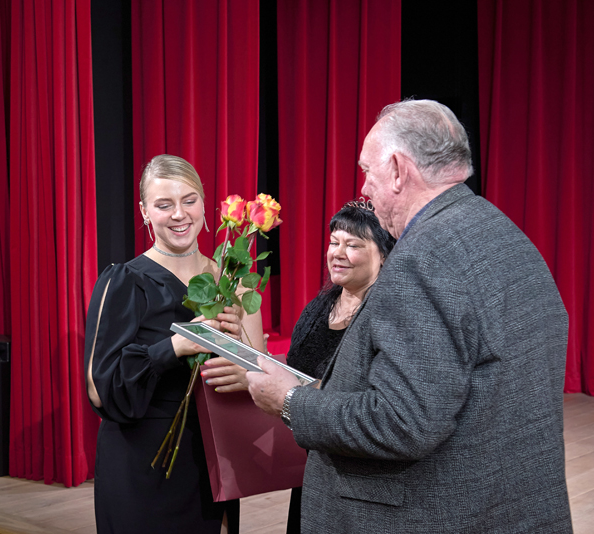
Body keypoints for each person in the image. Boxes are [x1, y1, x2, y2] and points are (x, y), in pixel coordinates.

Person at [247, 99, 572, 533]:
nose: (364, 188)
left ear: (399, 171)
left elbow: (401, 423)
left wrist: (290, 401)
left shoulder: (423, 258)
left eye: (368, 171)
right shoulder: (504, 233)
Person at [84, 154, 263, 534]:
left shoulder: (233, 282)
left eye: (189, 200)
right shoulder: (123, 281)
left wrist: (242, 360)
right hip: (141, 463)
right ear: (144, 212)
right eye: (164, 205)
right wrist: (176, 346)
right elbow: (101, 389)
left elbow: (261, 376)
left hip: (212, 457)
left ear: (205, 204)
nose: (179, 214)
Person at [282, 202, 394, 534]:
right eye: (334, 243)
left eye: (353, 245)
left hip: (360, 477)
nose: (338, 253)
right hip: (313, 461)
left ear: (383, 255)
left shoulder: (386, 316)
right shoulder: (319, 306)